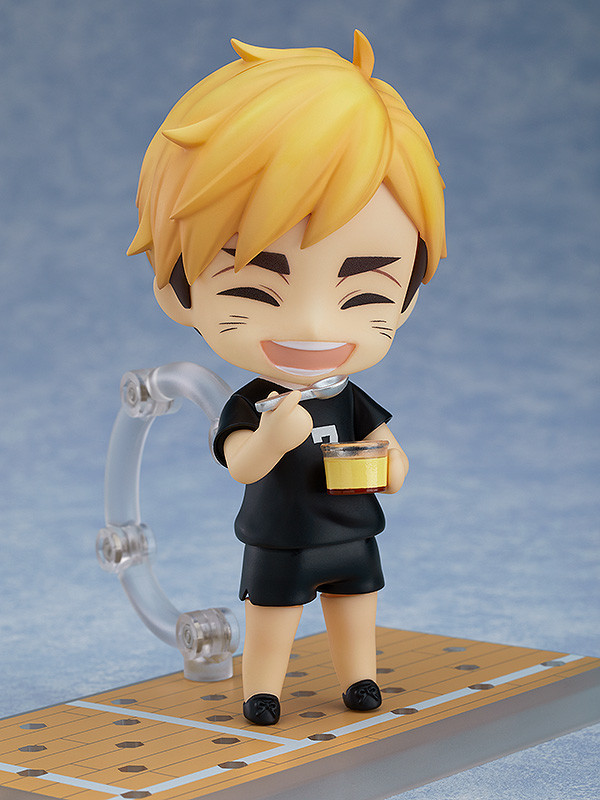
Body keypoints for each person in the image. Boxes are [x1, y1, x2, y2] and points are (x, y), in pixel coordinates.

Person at [128, 30, 446, 724]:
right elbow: (241, 465)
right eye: (256, 290)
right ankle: (262, 689)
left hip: (352, 531)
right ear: (178, 290)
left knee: (356, 607)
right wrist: (275, 435)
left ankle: (360, 681)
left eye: (363, 292)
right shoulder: (253, 401)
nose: (311, 324)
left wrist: (392, 465)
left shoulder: (351, 396)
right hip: (279, 536)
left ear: (408, 295)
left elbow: (390, 450)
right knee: (271, 613)